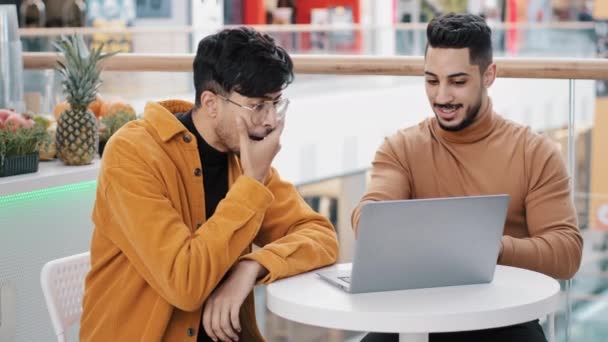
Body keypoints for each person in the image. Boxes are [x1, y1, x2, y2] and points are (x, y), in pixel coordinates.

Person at [80, 27, 338, 342]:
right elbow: (185, 284)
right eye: (258, 106)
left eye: (276, 104)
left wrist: (250, 267)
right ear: (211, 102)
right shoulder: (133, 154)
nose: (270, 121)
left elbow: (321, 237)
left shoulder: (243, 159)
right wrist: (252, 182)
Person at [352, 13, 582, 342]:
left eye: (457, 82)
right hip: (417, 320)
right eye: (432, 81)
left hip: (506, 322)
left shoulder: (535, 152)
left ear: (489, 75)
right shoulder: (401, 148)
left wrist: (489, 249)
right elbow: (369, 215)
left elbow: (566, 252)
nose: (442, 96)